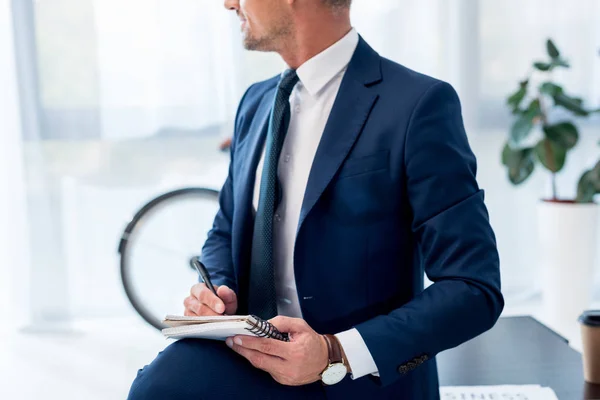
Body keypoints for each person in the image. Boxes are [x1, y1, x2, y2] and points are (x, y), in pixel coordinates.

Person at [127, 0, 504, 399]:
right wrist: (217, 291)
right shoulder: (254, 104)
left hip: (356, 378)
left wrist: (334, 352)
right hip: (251, 358)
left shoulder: (417, 104)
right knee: (155, 387)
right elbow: (225, 227)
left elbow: (473, 287)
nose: (229, 3)